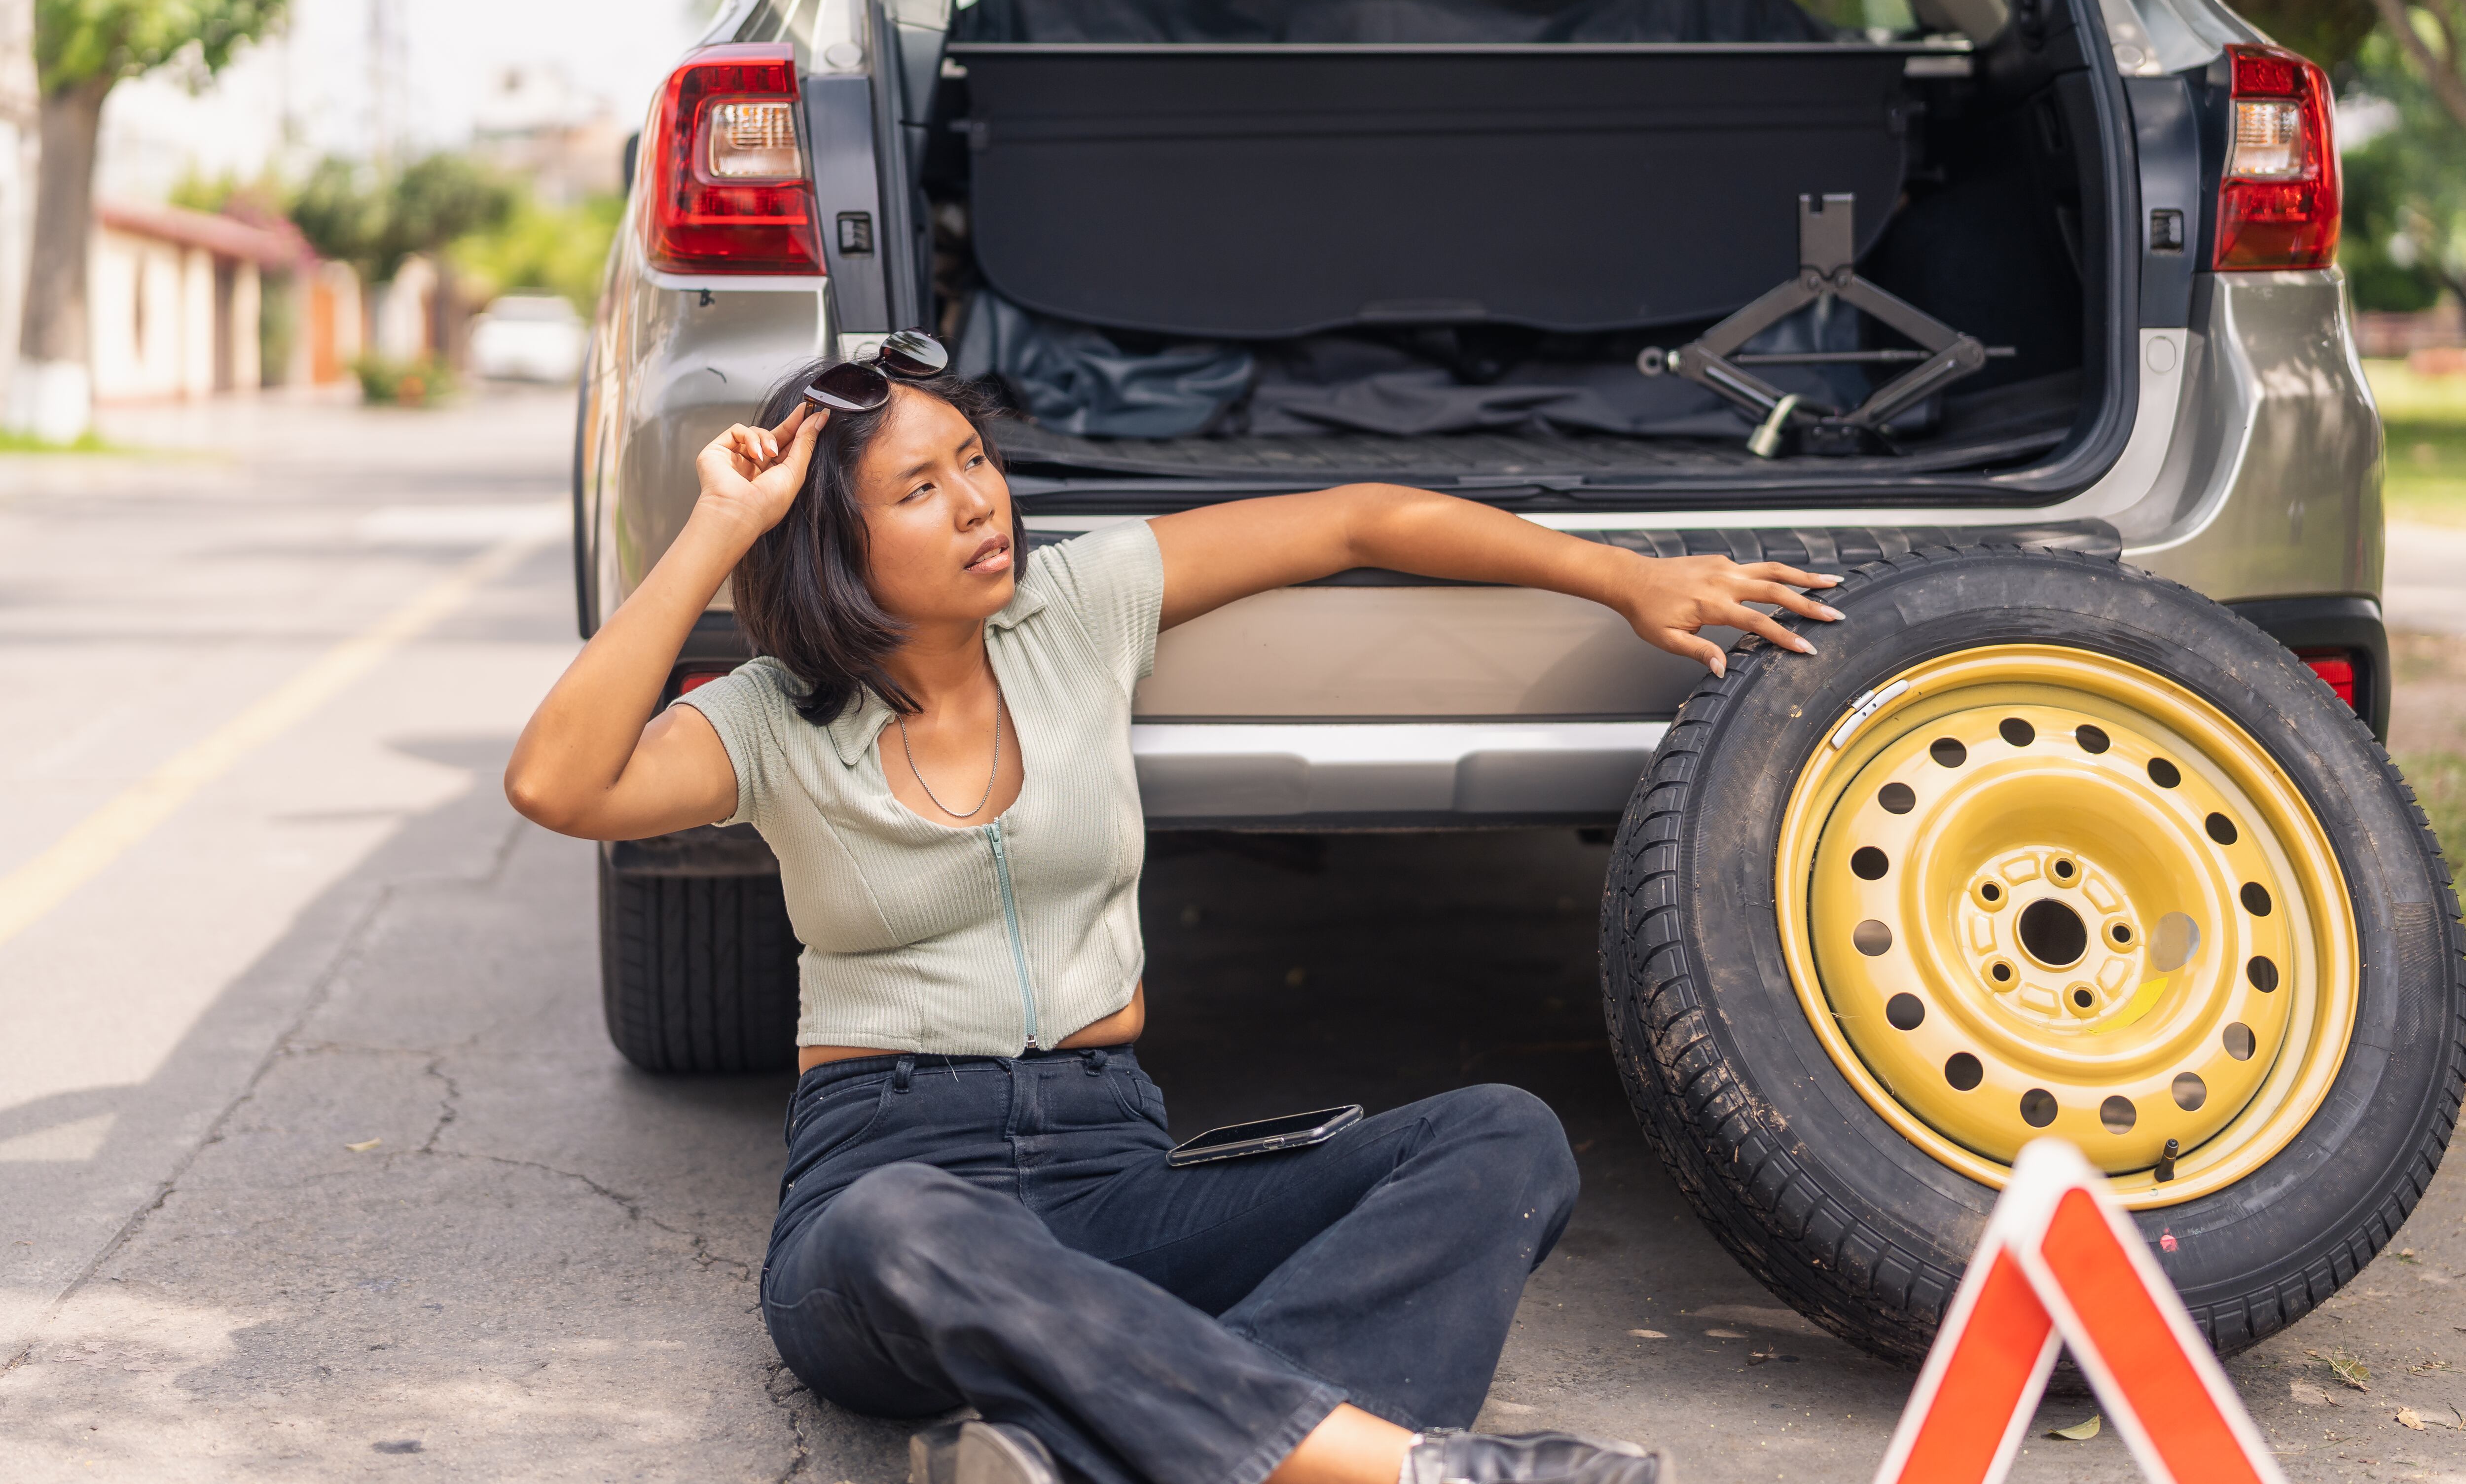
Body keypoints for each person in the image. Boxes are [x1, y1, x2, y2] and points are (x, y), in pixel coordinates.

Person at [505, 340, 1844, 1484]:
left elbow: (1357, 520)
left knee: (1502, 1140)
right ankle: (1404, 1469)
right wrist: (718, 529)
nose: (981, 502)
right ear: (839, 546)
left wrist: (1623, 578)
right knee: (895, 1224)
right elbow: (556, 783)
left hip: (1112, 1172)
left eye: (976, 458)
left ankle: (1105, 1446)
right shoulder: (772, 715)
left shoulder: (1078, 604)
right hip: (894, 1177)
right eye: (922, 487)